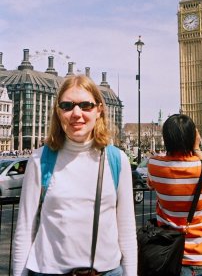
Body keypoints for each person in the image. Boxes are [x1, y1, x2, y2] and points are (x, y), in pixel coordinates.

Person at [13, 74, 137, 276]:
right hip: (49, 271)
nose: (76, 113)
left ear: (99, 110)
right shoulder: (40, 159)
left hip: (105, 271)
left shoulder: (116, 160)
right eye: (67, 106)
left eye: (86, 105)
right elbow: (24, 229)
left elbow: (127, 231)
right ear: (58, 112)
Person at [147, 114, 202, 276]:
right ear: (194, 137)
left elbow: (150, 184)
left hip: (170, 256)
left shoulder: (154, 165)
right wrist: (196, 149)